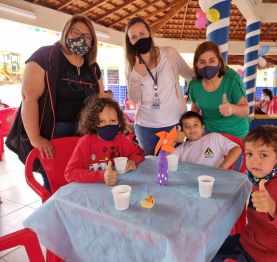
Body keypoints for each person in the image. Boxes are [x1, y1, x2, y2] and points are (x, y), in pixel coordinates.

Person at [5, 15, 103, 190]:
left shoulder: (92, 67)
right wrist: (36, 138)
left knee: (81, 178)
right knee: (56, 182)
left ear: (92, 41)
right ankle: (55, 213)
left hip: (84, 133)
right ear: (66, 32)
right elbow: (29, 98)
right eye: (76, 32)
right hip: (53, 131)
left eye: (87, 36)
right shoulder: (45, 55)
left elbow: (100, 102)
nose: (81, 38)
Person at [213, 125, 277, 262]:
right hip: (248, 245)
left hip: (268, 257)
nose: (254, 160)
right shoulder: (261, 179)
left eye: (263, 154)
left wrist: (274, 208)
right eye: (249, 154)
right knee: (208, 247)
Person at [125, 16, 192, 155]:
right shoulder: (132, 65)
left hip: (173, 123)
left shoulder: (169, 54)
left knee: (172, 166)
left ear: (149, 32)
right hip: (145, 127)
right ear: (130, 42)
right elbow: (134, 99)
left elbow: (190, 75)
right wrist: (136, 75)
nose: (139, 39)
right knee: (151, 168)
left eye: (142, 34)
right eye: (134, 37)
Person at [65, 96, 145, 185]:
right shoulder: (86, 142)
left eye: (113, 120)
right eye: (101, 121)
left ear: (119, 122)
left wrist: (132, 161)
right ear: (93, 123)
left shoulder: (120, 139)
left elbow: (139, 153)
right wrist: (101, 176)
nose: (108, 125)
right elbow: (70, 173)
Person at [189, 41, 249, 139]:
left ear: (220, 62)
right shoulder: (194, 84)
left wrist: (231, 108)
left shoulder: (231, 78)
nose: (207, 66)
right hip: (210, 133)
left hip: (236, 134)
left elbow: (246, 110)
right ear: (196, 64)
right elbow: (195, 108)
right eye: (202, 62)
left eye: (212, 61)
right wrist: (192, 127)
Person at [172, 111, 241, 169]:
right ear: (182, 130)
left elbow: (237, 149)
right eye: (186, 126)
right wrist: (173, 141)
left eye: (195, 125)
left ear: (202, 127)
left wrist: (221, 169)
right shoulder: (182, 148)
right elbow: (165, 160)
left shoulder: (214, 138)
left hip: (214, 179)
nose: (191, 129)